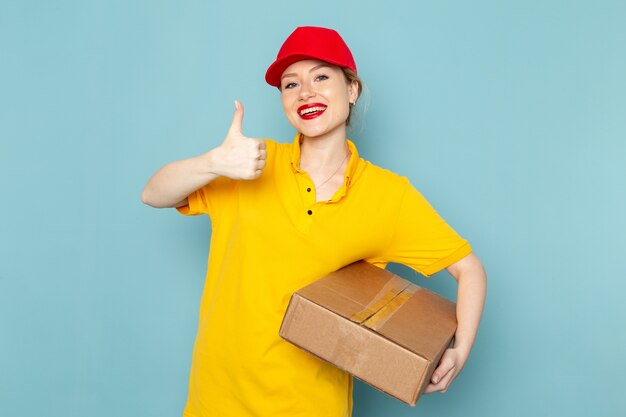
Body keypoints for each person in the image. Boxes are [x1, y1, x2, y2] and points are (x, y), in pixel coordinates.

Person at [142, 26, 487, 417]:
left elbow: (468, 268)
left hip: (313, 406)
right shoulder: (251, 163)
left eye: (321, 77)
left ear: (352, 90)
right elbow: (153, 194)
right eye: (291, 84)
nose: (305, 92)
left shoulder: (388, 196)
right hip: (218, 402)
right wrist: (212, 163)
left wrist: (460, 349)